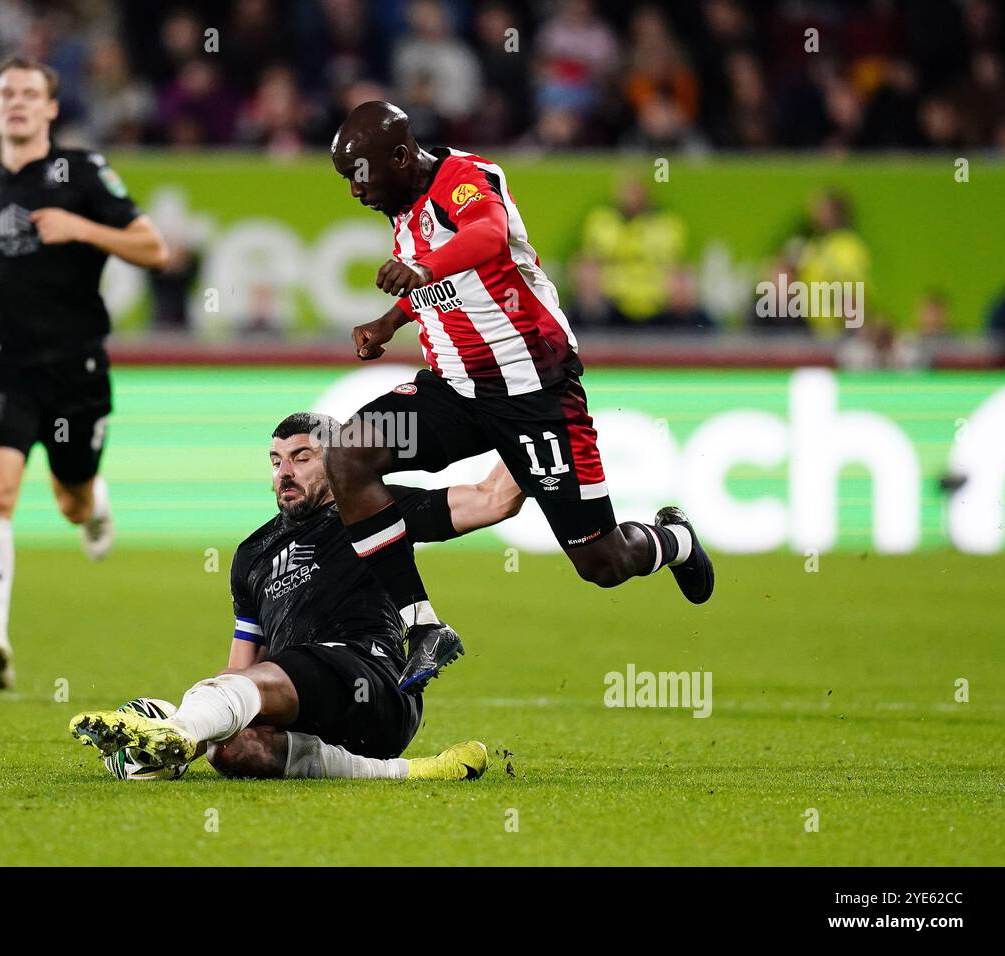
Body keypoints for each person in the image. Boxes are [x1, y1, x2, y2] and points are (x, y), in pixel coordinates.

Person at [324, 101, 714, 693]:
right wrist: (390, 322)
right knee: (349, 456)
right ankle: (421, 624)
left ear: (402, 157)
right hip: (454, 391)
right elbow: (454, 288)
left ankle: (673, 539)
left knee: (601, 563)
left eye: (360, 176)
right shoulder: (401, 206)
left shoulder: (467, 179)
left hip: (536, 393)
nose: (355, 192)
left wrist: (421, 268)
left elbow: (486, 234)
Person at [68, 412, 522, 780]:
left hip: (376, 685)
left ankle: (176, 731)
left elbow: (493, 498)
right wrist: (215, 711)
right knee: (232, 752)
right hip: (302, 705)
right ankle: (413, 772)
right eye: (275, 460)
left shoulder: (374, 509)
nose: (285, 471)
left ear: (338, 462)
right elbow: (240, 671)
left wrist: (536, 423)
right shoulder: (252, 554)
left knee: (252, 691)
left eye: (302, 457)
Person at [0, 57, 169, 691]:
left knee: (69, 499)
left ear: (52, 109)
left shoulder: (81, 172)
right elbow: (3, 247)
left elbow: (154, 248)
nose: (18, 102)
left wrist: (81, 227)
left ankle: (93, 504)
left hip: (76, 367)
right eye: (7, 92)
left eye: (31, 93)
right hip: (4, 362)